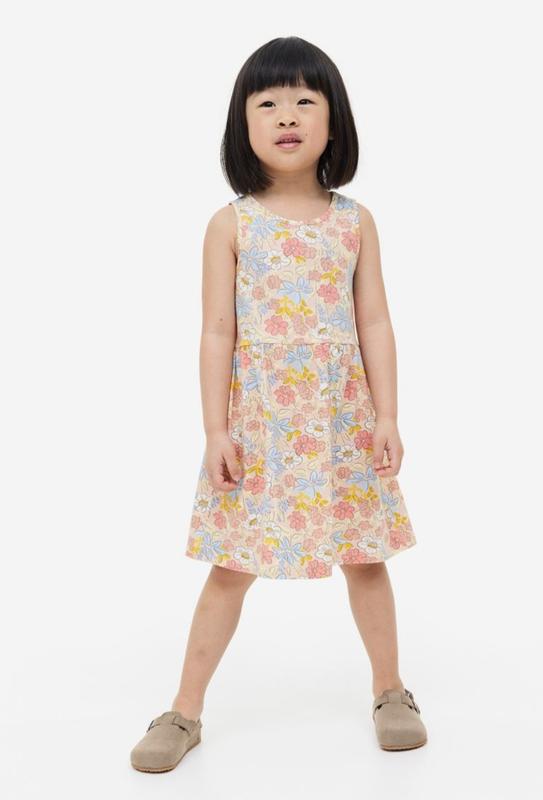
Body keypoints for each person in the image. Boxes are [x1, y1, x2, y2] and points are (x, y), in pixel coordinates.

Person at [130, 35, 427, 773]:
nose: (286, 115)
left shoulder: (354, 222)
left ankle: (390, 690)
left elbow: (375, 322)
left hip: (340, 425)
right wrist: (214, 430)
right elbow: (217, 331)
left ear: (333, 119)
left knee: (366, 559)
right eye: (267, 102)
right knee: (231, 568)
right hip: (259, 427)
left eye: (304, 100)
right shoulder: (230, 225)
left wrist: (387, 415)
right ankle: (184, 709)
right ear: (243, 124)